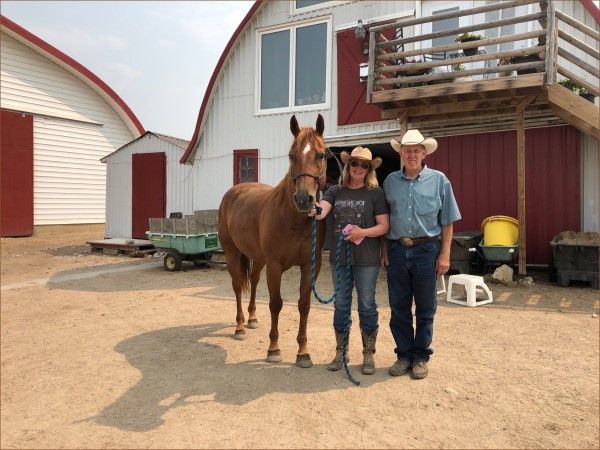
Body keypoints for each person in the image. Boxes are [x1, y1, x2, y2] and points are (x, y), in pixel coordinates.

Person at [381, 129, 461, 379]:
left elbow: (447, 221)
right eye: (407, 150)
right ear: (401, 154)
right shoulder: (390, 182)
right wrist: (384, 250)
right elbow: (384, 220)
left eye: (416, 150)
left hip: (427, 250)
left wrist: (445, 254)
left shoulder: (440, 180)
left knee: (426, 308)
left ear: (424, 153)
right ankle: (403, 356)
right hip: (396, 250)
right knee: (399, 306)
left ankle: (420, 357)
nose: (412, 154)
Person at [309, 146, 389, 375]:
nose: (359, 168)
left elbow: (384, 226)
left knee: (367, 305)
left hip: (367, 260)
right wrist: (313, 208)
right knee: (341, 305)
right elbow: (322, 210)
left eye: (364, 165)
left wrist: (361, 232)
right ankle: (340, 352)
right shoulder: (335, 191)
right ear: (348, 166)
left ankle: (368, 354)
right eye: (354, 163)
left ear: (369, 169)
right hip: (340, 260)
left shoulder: (375, 193)